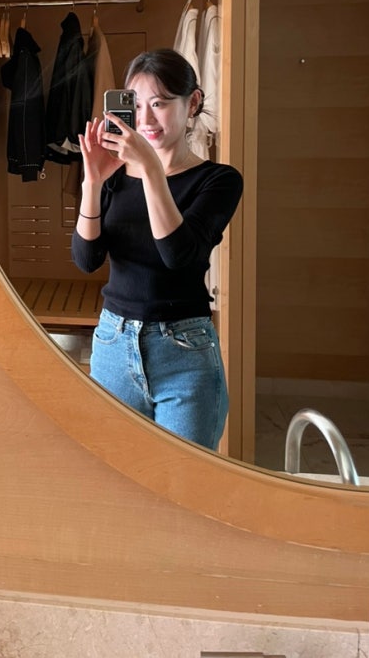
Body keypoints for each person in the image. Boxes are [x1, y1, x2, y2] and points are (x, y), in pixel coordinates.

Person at [71, 48, 243, 450]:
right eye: (136, 105)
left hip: (184, 352)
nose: (146, 119)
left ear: (192, 102)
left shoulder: (218, 180)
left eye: (160, 104)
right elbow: (86, 259)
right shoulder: (115, 175)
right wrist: (92, 183)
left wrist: (150, 169)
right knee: (117, 474)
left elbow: (178, 255)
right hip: (113, 345)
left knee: (185, 478)